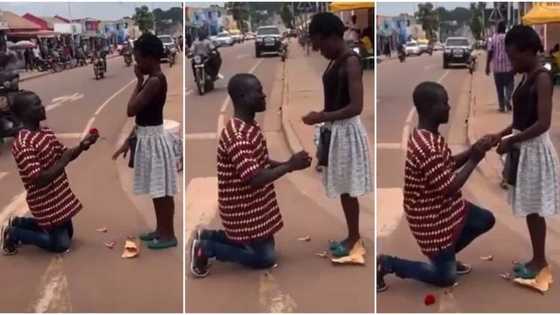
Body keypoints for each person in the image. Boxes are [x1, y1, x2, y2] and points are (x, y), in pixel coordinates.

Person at [377, 82, 497, 292]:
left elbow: (448, 164)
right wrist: (475, 158)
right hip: (429, 217)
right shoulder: (426, 146)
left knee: (485, 219)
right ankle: (388, 263)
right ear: (432, 108)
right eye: (445, 103)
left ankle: (446, 256)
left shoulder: (430, 137)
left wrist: (473, 149)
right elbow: (450, 187)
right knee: (445, 277)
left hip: (444, 207)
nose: (449, 107)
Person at [189, 74, 312, 277]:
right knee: (265, 258)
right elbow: (254, 178)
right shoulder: (237, 136)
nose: (264, 95)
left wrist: (287, 164)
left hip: (254, 208)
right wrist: (289, 166)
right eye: (259, 91)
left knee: (267, 244)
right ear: (244, 96)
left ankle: (208, 236)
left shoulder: (248, 125)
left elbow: (259, 161)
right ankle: (206, 249)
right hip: (243, 209)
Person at [489, 25, 560, 279]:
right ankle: (536, 258)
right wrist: (502, 135)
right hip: (523, 147)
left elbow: (543, 123)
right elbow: (520, 119)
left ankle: (540, 261)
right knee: (530, 208)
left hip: (535, 150)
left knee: (534, 209)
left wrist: (512, 140)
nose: (510, 61)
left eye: (513, 56)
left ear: (529, 51)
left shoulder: (542, 77)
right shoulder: (526, 76)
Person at [302, 12, 372, 257]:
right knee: (343, 187)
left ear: (331, 37)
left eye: (320, 45)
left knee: (348, 189)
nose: (320, 51)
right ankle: (352, 235)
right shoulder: (335, 60)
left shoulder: (350, 61)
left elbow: (356, 106)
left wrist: (321, 117)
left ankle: (354, 238)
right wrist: (323, 118)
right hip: (335, 128)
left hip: (347, 130)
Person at [1, 91, 98, 255]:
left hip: (59, 198)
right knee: (61, 245)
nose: (42, 106)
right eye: (36, 104)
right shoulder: (23, 143)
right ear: (25, 113)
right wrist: (65, 159)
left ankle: (19, 223)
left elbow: (65, 154)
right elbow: (38, 179)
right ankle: (14, 233)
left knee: (68, 235)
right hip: (45, 201)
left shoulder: (45, 133)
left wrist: (83, 145)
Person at [113, 33, 179, 250]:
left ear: (150, 58)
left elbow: (131, 110)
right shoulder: (151, 80)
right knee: (156, 188)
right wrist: (128, 141)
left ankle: (168, 234)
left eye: (139, 58)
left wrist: (137, 81)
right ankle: (161, 230)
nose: (137, 63)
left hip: (154, 140)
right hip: (147, 137)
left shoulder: (154, 81)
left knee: (162, 191)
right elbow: (142, 118)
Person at [486, 22, 514, 113]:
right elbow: (513, 51)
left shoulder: (493, 39)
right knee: (510, 85)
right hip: (508, 67)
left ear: (498, 28)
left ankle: (502, 107)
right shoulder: (509, 38)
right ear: (505, 28)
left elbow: (490, 53)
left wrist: (487, 66)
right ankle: (507, 99)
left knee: (499, 88)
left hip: (497, 68)